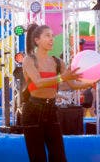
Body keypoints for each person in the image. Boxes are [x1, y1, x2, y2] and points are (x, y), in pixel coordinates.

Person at [21, 24, 92, 162]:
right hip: (33, 111)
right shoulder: (29, 60)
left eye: (52, 36)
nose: (52, 39)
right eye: (47, 35)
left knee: (59, 156)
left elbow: (73, 84)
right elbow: (39, 82)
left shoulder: (58, 62)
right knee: (38, 157)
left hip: (51, 110)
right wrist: (62, 78)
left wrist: (89, 82)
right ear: (37, 40)